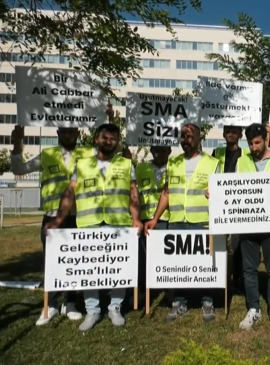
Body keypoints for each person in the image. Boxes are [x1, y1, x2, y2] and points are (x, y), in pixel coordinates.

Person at [44, 123, 142, 332]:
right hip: (89, 225)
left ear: (117, 142)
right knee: (90, 269)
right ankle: (92, 310)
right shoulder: (82, 164)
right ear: (96, 139)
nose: (109, 142)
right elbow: (69, 193)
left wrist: (136, 219)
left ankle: (115, 307)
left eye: (113, 139)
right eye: (105, 138)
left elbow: (133, 193)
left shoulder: (126, 164)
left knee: (119, 268)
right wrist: (58, 220)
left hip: (118, 225)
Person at [10, 125, 93, 325]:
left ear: (78, 134)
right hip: (52, 217)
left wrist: (109, 118)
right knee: (52, 261)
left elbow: (113, 152)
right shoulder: (46, 155)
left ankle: (70, 302)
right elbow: (18, 169)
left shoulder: (88, 153)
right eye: (63, 131)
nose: (67, 134)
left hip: (78, 216)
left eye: (71, 131)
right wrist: (16, 142)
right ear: (57, 133)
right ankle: (51, 304)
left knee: (75, 261)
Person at [144, 123, 220, 323]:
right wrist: (155, 218)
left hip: (202, 222)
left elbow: (220, 193)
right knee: (179, 266)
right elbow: (167, 192)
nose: (185, 141)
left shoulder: (212, 163)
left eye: (189, 137)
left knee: (205, 264)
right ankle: (180, 303)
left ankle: (207, 301)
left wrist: (214, 196)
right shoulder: (174, 162)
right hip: (177, 222)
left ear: (198, 139)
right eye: (182, 137)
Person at [231, 123, 270, 332]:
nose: (253, 147)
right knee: (249, 268)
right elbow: (233, 188)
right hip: (248, 223)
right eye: (250, 143)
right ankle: (253, 309)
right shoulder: (242, 161)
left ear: (266, 140)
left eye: (257, 142)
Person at [212, 125, 249, 293]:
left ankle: (238, 278)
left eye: (234, 131)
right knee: (219, 242)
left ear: (240, 134)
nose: (231, 134)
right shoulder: (216, 153)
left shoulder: (245, 155)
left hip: (238, 204)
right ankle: (218, 277)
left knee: (238, 243)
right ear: (224, 134)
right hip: (220, 203)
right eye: (228, 131)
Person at [135, 146, 172, 299]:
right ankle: (145, 289)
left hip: (168, 218)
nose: (159, 153)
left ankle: (168, 288)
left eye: (162, 150)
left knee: (166, 256)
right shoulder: (140, 168)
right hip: (145, 219)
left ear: (169, 150)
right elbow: (134, 192)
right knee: (145, 256)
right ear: (150, 150)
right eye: (155, 150)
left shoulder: (174, 166)